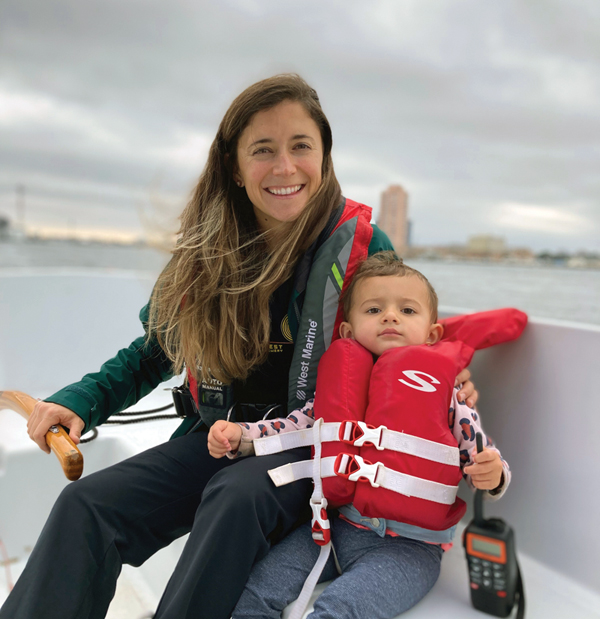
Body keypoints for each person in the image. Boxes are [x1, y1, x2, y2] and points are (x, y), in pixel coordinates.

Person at [0, 75, 479, 619]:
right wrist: (81, 400)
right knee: (87, 505)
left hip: (311, 446)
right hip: (220, 437)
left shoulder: (365, 249)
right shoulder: (205, 251)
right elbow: (157, 351)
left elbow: (405, 336)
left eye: (301, 146)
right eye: (263, 150)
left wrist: (446, 379)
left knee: (236, 498)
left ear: (324, 155)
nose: (284, 167)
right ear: (233, 165)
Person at [206, 252, 510, 619]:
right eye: (373, 309)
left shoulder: (449, 394)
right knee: (255, 590)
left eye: (408, 311)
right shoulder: (343, 385)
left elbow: (481, 452)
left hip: (410, 549)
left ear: (432, 335)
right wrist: (243, 436)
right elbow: (295, 425)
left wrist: (494, 475)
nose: (391, 316)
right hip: (334, 530)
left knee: (339, 611)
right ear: (348, 330)